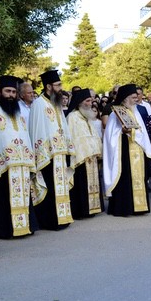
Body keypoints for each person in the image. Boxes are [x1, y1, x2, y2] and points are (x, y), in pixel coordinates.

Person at [0, 75, 41, 239]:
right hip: (3, 166)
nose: (11, 95)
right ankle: (5, 230)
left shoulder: (19, 115)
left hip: (21, 164)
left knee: (23, 196)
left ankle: (25, 226)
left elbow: (26, 138)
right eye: (7, 91)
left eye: (14, 92)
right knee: (3, 198)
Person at [29, 69, 75, 230]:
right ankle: (50, 221)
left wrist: (68, 149)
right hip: (46, 156)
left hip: (60, 155)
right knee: (50, 188)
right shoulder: (39, 104)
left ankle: (62, 218)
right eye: (58, 85)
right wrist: (41, 154)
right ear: (48, 86)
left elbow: (63, 128)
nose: (61, 87)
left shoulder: (56, 103)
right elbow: (36, 131)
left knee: (60, 187)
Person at [103, 84, 151, 216]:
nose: (136, 99)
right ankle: (124, 208)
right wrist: (122, 131)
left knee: (138, 178)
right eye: (133, 97)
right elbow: (110, 136)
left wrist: (136, 136)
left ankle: (139, 207)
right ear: (125, 98)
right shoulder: (116, 113)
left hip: (138, 151)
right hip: (123, 153)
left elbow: (142, 132)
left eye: (136, 96)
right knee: (125, 179)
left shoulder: (136, 112)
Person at [66, 88, 103, 219]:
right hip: (80, 158)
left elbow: (94, 136)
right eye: (88, 100)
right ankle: (81, 211)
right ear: (80, 102)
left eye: (91, 100)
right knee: (81, 185)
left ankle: (93, 208)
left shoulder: (87, 116)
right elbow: (71, 138)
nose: (91, 103)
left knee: (92, 183)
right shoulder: (72, 117)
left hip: (91, 157)